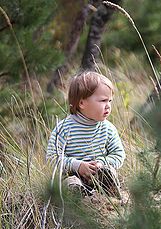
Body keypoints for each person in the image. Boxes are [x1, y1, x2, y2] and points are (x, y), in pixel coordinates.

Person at [46, 71, 125, 199]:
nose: (108, 106)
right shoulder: (64, 128)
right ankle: (78, 201)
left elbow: (118, 155)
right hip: (73, 176)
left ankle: (110, 197)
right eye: (103, 101)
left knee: (107, 173)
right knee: (70, 183)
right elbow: (52, 157)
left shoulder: (108, 129)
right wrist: (77, 165)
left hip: (98, 175)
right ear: (82, 103)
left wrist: (101, 163)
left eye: (110, 101)